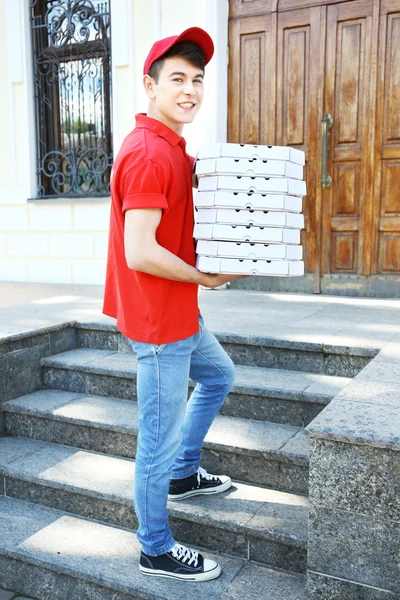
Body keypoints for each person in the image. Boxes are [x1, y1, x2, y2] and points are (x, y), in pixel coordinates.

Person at [103, 27, 245, 582]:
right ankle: (154, 547)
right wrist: (204, 280)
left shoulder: (169, 146)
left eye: (197, 80)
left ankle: (185, 473)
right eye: (177, 79)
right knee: (155, 442)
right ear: (150, 85)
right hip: (159, 321)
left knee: (219, 374)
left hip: (178, 309)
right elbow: (141, 251)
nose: (189, 90)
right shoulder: (147, 153)